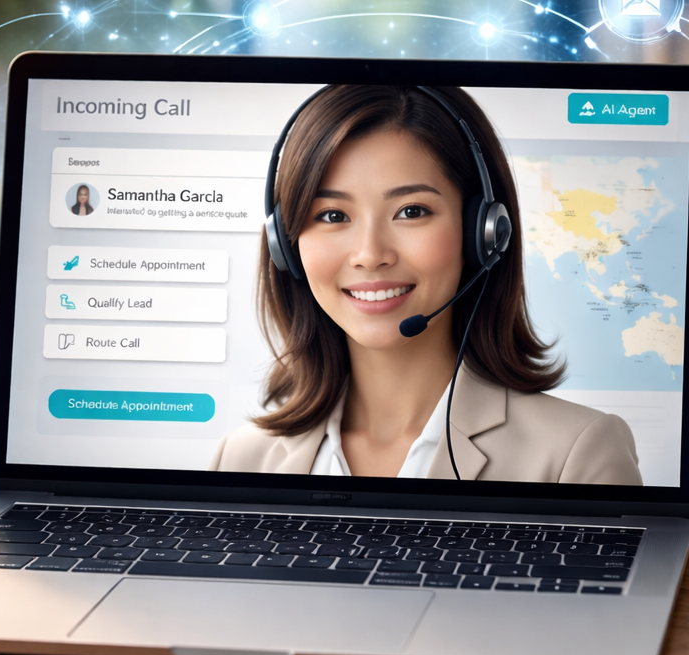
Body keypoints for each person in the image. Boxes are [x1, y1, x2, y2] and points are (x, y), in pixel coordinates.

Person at [210, 85, 642, 484]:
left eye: (412, 211)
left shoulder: (577, 454)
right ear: (286, 245)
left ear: (484, 232)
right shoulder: (241, 459)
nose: (369, 253)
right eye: (332, 216)